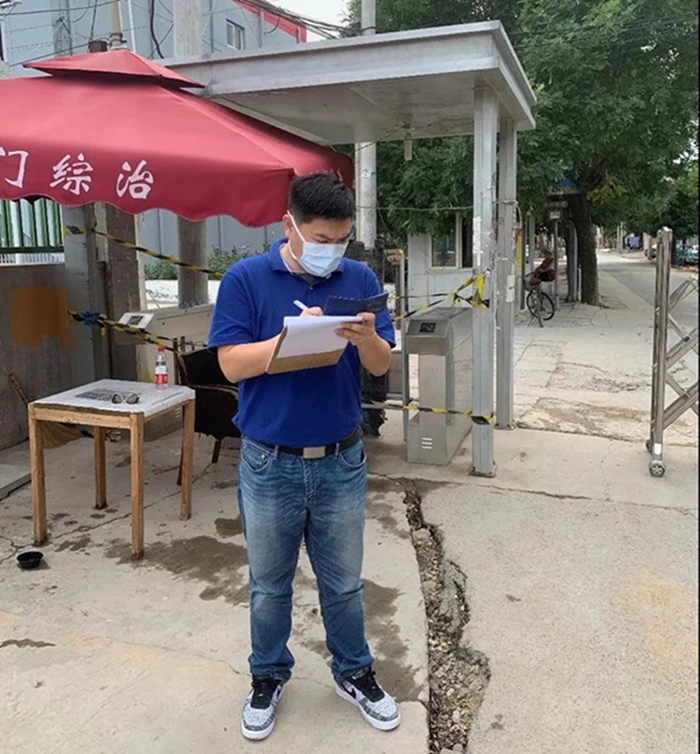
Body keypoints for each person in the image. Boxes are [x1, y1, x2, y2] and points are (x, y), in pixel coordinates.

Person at [208, 172, 400, 741]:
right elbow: (230, 364)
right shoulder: (246, 278)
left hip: (341, 460)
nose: (331, 251)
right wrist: (291, 340)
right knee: (270, 585)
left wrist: (366, 338)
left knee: (343, 583)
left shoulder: (359, 278)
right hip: (270, 461)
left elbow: (381, 365)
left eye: (341, 240)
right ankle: (267, 675)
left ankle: (354, 672)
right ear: (288, 224)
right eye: (320, 239)